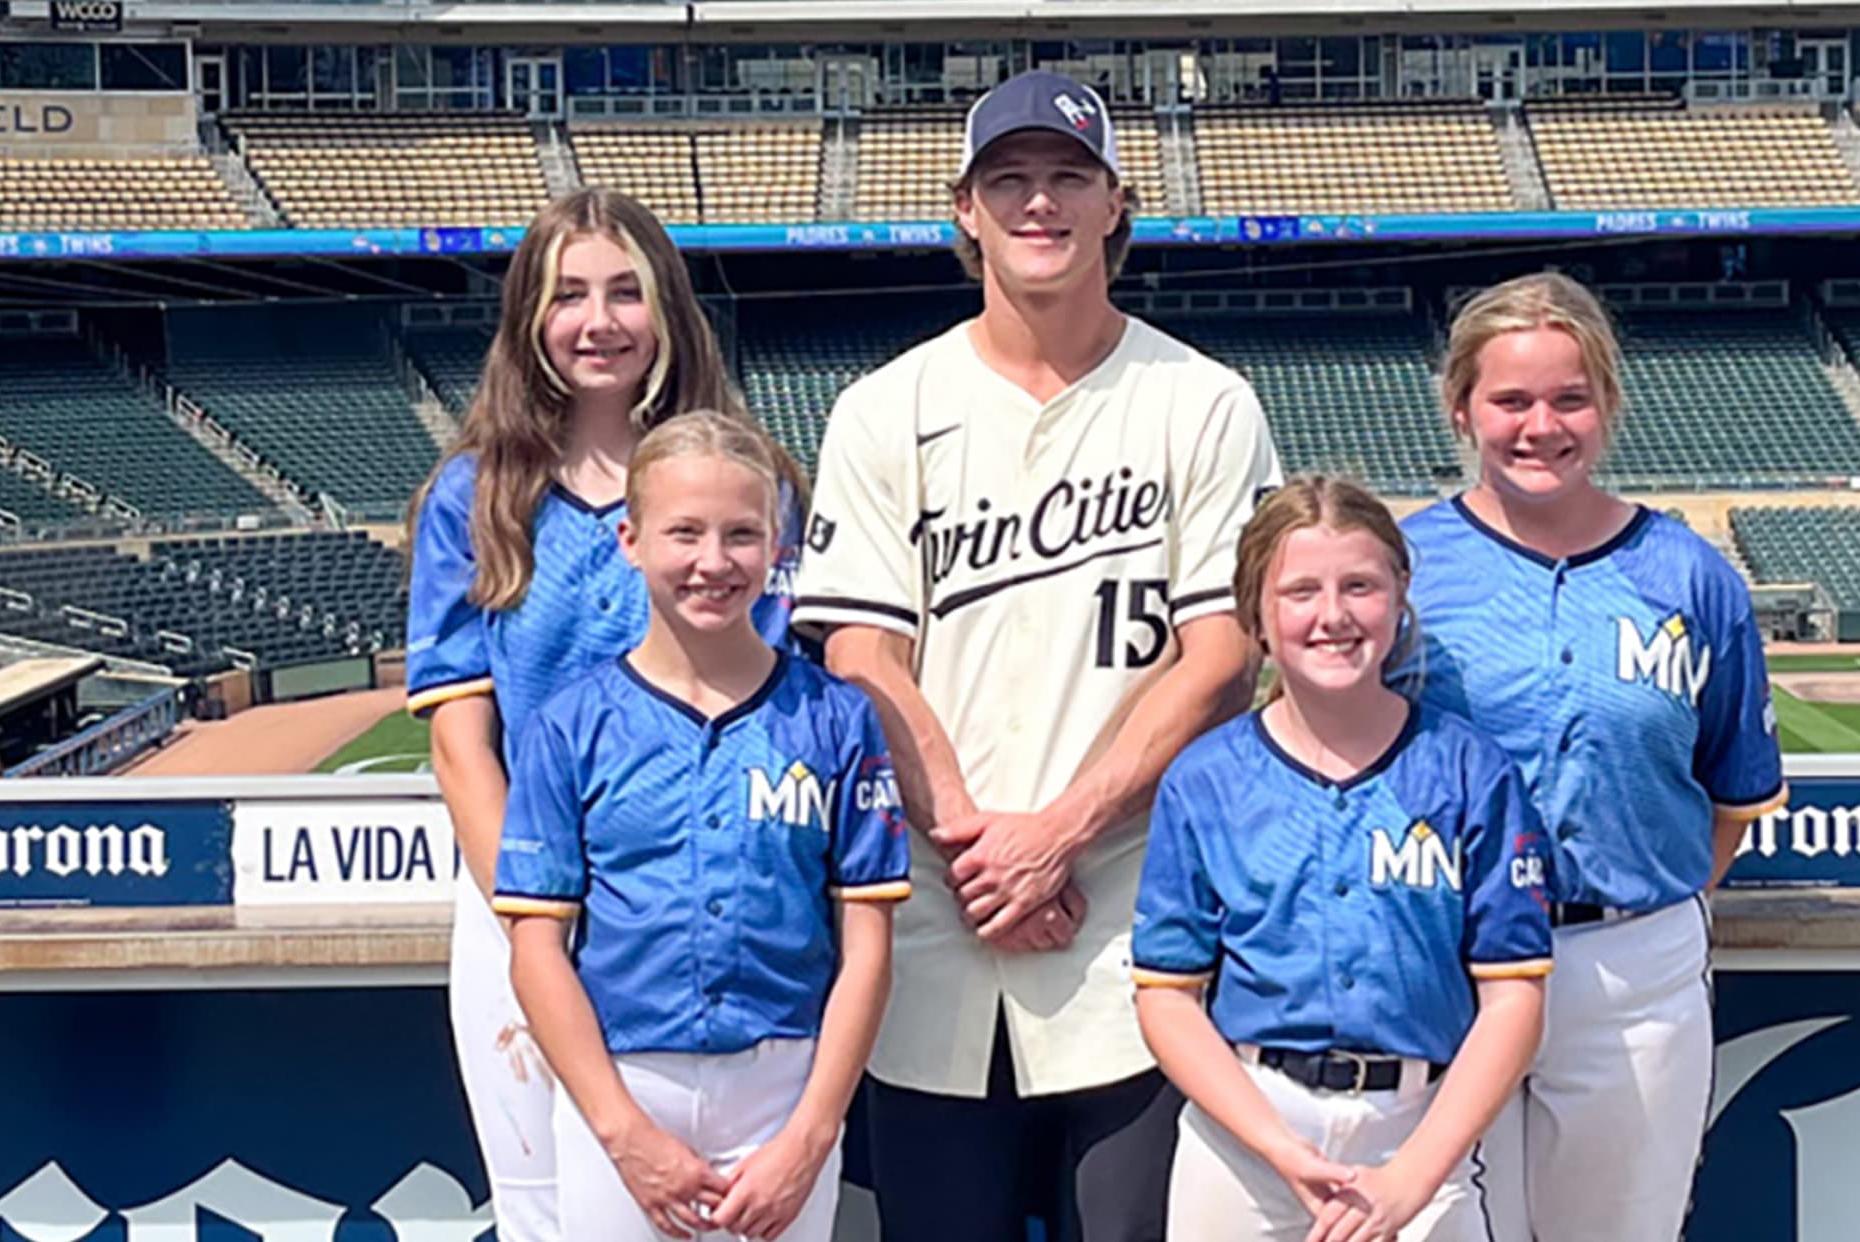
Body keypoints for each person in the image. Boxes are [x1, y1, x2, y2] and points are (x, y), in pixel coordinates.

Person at [790, 68, 1283, 1240]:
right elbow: (860, 655)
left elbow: (1221, 658)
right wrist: (982, 850)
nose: (1040, 202)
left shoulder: (1204, 401)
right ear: (965, 210)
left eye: (1069, 176)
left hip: (1133, 938)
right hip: (935, 928)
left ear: (1117, 204)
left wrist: (1058, 834)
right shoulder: (883, 408)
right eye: (1008, 179)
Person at [404, 187, 807, 1241]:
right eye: (568, 294)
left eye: (626, 292)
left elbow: (772, 705)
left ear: (668, 308)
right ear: (529, 318)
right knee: (547, 1209)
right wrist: (539, 912)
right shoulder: (475, 496)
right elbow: (461, 744)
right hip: (524, 904)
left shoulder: (747, 483)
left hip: (705, 891)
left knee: (726, 1208)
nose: (598, 321)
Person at [1399, 273, 1787, 1242]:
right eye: (1511, 400)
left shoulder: (1690, 576)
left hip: (1630, 970)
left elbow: (1731, 793)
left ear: (1608, 405)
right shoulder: (1403, 571)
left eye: (1569, 398)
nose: (1542, 426)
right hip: (1446, 959)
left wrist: (1632, 920)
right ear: (1460, 408)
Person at [496, 411, 908, 1242]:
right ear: (630, 540)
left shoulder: (835, 717)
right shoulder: (570, 725)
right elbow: (537, 947)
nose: (713, 562)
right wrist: (623, 1133)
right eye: (684, 532)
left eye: (742, 534)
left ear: (776, 547)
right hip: (622, 1081)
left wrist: (812, 1133)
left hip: (784, 1087)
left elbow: (867, 946)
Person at [1134, 476, 1553, 1242]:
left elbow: (1513, 999)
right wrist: (1278, 1148)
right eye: (1300, 591)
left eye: (1359, 586)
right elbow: (1167, 998)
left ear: (1400, 594)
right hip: (1248, 1136)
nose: (1332, 616)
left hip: (1420, 1134)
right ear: (1256, 613)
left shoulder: (1471, 772)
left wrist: (1411, 1180)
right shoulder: (1205, 780)